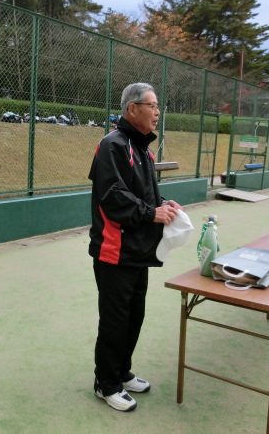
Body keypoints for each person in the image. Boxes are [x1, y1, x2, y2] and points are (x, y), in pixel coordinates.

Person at [88, 82, 182, 412]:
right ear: (132, 109)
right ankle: (105, 383)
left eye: (158, 106)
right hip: (113, 251)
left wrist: (164, 204)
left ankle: (121, 371)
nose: (157, 113)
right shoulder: (112, 145)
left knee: (133, 316)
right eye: (152, 106)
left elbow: (143, 195)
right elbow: (113, 196)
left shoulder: (144, 149)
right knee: (115, 320)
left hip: (138, 251)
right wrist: (150, 212)